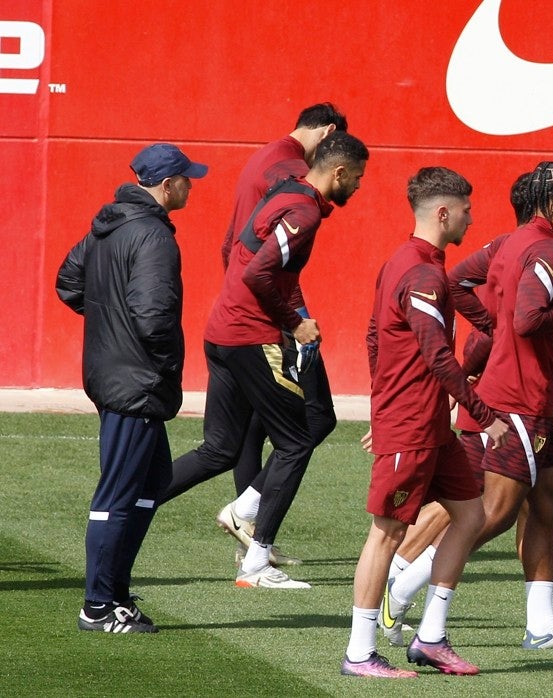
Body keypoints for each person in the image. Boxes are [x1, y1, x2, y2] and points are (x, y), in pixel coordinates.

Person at [380, 164, 553, 651]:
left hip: (524, 397)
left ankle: (541, 626)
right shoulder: (545, 248)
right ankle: (402, 588)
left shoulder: (511, 241)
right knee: (497, 513)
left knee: (548, 502)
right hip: (517, 401)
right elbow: (527, 320)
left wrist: (492, 330)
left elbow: (460, 281)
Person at [159, 131, 369, 589]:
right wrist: (294, 322)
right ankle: (256, 559)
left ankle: (132, 503)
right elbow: (258, 272)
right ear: (337, 172)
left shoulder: (285, 191)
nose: (357, 187)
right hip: (250, 336)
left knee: (220, 448)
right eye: (355, 178)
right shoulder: (304, 208)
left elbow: (236, 249)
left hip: (221, 330)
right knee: (298, 440)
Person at [341, 167, 509, 678]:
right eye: (465, 209)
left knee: (470, 515)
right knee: (387, 535)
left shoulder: (407, 263)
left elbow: (374, 335)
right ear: (443, 213)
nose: (471, 218)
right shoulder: (421, 272)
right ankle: (359, 653)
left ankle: (431, 638)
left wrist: (383, 404)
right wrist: (483, 415)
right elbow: (439, 357)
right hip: (412, 427)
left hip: (427, 425)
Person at [56, 143, 208, 632]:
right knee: (118, 494)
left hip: (119, 376)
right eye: (187, 179)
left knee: (151, 483)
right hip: (136, 382)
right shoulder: (153, 236)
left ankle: (116, 592)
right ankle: (98, 606)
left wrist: (110, 324)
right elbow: (152, 315)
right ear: (167, 186)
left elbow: (69, 282)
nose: (191, 185)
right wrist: (159, 361)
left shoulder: (110, 225)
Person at [214, 103, 349, 568]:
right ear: (329, 138)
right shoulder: (291, 172)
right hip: (264, 311)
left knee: (255, 427)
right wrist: (293, 320)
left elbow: (236, 243)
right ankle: (247, 521)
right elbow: (262, 259)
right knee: (311, 420)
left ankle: (248, 527)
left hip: (246, 309)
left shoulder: (266, 158)